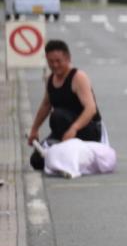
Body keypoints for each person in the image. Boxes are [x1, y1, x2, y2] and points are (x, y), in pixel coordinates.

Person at [27, 39, 104, 170]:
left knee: (58, 115)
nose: (55, 65)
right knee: (36, 161)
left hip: (86, 129)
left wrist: (74, 128)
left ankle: (68, 153)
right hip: (63, 131)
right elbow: (46, 105)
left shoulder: (78, 77)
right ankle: (61, 152)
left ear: (68, 58)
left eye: (58, 61)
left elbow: (91, 109)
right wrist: (34, 129)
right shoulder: (50, 79)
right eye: (51, 62)